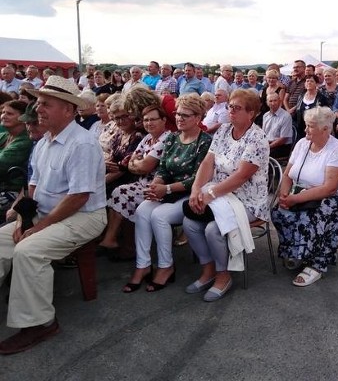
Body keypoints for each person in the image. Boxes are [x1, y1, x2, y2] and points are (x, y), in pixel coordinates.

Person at [0, 76, 107, 354]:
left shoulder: (81, 143)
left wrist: (38, 228)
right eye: (38, 103)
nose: (38, 109)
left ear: (69, 110)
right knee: (2, 240)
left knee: (28, 250)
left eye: (46, 104)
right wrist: (24, 219)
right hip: (48, 213)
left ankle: (41, 323)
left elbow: (79, 197)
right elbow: (33, 185)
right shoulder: (45, 141)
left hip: (84, 216)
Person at [183, 89, 269, 300]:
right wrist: (196, 190)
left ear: (251, 113)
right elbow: (207, 162)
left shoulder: (257, 138)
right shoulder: (223, 131)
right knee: (189, 224)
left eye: (236, 108)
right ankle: (208, 269)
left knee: (213, 229)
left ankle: (224, 275)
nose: (230, 111)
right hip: (220, 194)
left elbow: (241, 176)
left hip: (248, 200)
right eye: (230, 106)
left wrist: (210, 193)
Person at [124, 95, 211, 293]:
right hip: (168, 191)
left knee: (159, 216)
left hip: (190, 194)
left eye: (185, 115)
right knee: (142, 211)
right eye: (177, 113)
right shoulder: (172, 137)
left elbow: (198, 178)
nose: (179, 118)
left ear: (198, 118)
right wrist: (156, 185)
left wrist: (167, 189)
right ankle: (143, 265)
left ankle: (166, 266)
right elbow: (162, 168)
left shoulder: (205, 142)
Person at [272, 107, 338, 287]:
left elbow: (330, 188)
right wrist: (284, 195)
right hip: (303, 192)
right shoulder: (302, 143)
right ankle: (297, 252)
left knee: (317, 214)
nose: (305, 130)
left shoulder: (336, 148)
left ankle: (318, 263)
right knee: (278, 212)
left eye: (310, 126)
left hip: (333, 196)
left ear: (326, 129)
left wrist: (295, 199)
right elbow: (287, 175)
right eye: (306, 126)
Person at [100, 105, 170, 258]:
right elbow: (131, 162)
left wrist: (137, 164)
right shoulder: (147, 138)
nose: (149, 123)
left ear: (163, 120)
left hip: (158, 186)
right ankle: (113, 240)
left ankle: (116, 242)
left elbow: (144, 166)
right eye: (145, 120)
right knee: (118, 191)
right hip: (140, 181)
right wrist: (138, 164)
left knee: (121, 192)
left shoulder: (166, 139)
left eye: (153, 119)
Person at [0, 101, 32, 217]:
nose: (3, 116)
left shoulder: (25, 141)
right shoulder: (6, 136)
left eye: (9, 113)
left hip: (13, 190)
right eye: (3, 112)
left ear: (22, 118)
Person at [293, 75, 330, 142]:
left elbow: (325, 116)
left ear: (316, 84)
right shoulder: (301, 96)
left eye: (312, 81)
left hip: (315, 130)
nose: (309, 83)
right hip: (300, 130)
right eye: (307, 81)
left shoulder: (321, 98)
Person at [262, 92, 293, 158]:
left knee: (260, 155)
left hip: (281, 146)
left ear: (279, 101)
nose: (273, 103)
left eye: (275, 100)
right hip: (267, 143)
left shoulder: (286, 116)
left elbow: (283, 139)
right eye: (270, 101)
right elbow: (263, 134)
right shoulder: (265, 116)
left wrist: (267, 147)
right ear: (267, 102)